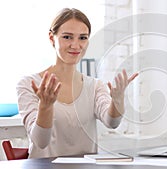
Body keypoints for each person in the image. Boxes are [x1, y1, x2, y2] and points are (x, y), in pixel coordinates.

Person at [16, 8, 138, 158]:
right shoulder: (29, 84)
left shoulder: (94, 86)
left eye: (82, 38)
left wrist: (118, 100)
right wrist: (45, 107)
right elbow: (41, 141)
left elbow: (111, 122)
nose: (75, 45)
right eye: (67, 37)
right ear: (51, 38)